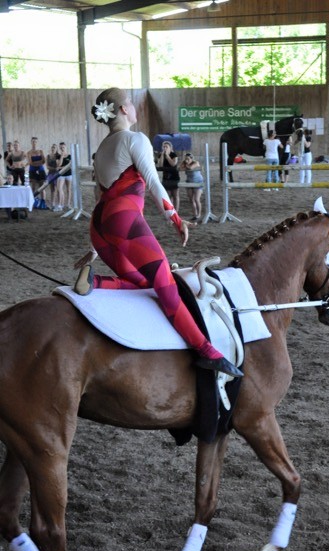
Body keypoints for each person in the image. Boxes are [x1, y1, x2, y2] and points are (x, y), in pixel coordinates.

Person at [73, 87, 243, 379]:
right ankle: (205, 350)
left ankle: (95, 281)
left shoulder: (102, 148)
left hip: (100, 225)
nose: (135, 108)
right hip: (123, 220)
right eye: (131, 103)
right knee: (165, 282)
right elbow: (153, 182)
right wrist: (176, 218)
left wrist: (98, 244)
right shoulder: (134, 139)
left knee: (141, 282)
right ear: (124, 109)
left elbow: (101, 195)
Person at [157, 140, 180, 212]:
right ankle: (170, 211)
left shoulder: (174, 155)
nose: (165, 148)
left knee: (175, 195)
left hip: (174, 177)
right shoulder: (161, 155)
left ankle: (176, 211)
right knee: (168, 195)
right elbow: (160, 165)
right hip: (166, 177)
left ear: (170, 148)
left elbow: (173, 164)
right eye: (163, 147)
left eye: (166, 147)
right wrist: (162, 156)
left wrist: (167, 156)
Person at [179, 152, 203, 220]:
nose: (187, 160)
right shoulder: (184, 163)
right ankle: (195, 214)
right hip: (189, 182)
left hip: (198, 182)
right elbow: (180, 168)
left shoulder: (196, 163)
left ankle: (199, 213)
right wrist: (184, 163)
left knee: (196, 199)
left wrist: (185, 165)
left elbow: (190, 168)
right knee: (191, 199)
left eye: (188, 159)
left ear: (192, 159)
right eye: (186, 159)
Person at [27, 136, 47, 207]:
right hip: (32, 170)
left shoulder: (41, 151)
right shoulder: (29, 152)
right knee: (33, 186)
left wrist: (36, 162)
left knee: (42, 186)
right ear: (31, 142)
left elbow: (44, 161)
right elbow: (31, 163)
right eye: (33, 142)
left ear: (37, 142)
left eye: (35, 142)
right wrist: (39, 162)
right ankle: (33, 201)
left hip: (41, 170)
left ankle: (43, 202)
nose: (34, 143)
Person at [56, 142, 72, 211]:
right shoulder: (58, 156)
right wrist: (62, 156)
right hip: (61, 174)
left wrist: (61, 168)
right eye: (61, 148)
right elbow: (59, 164)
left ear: (66, 147)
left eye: (63, 147)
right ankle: (60, 204)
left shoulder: (70, 156)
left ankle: (68, 204)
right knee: (59, 189)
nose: (62, 149)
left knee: (68, 189)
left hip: (69, 174)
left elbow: (70, 165)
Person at [46, 143, 60, 210]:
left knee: (57, 188)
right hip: (50, 173)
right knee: (52, 189)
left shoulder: (58, 156)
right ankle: (52, 203)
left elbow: (58, 166)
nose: (53, 148)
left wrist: (55, 168)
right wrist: (54, 168)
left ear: (57, 149)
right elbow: (47, 166)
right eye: (52, 147)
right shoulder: (48, 156)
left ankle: (58, 203)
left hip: (57, 174)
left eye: (54, 147)